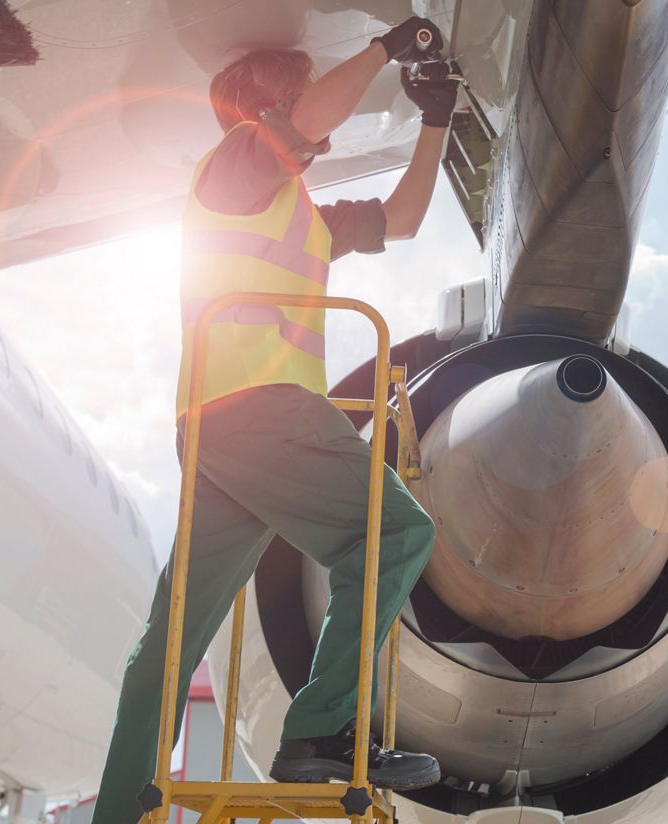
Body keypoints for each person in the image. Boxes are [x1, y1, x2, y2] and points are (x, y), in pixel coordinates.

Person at [89, 18, 458, 823]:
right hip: (260, 412)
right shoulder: (234, 167)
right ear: (260, 112)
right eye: (292, 93)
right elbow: (311, 123)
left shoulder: (292, 211)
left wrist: (435, 121)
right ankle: (321, 729)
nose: (307, 104)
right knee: (395, 533)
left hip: (227, 429)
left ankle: (116, 814)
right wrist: (386, 49)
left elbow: (402, 221)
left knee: (171, 640)